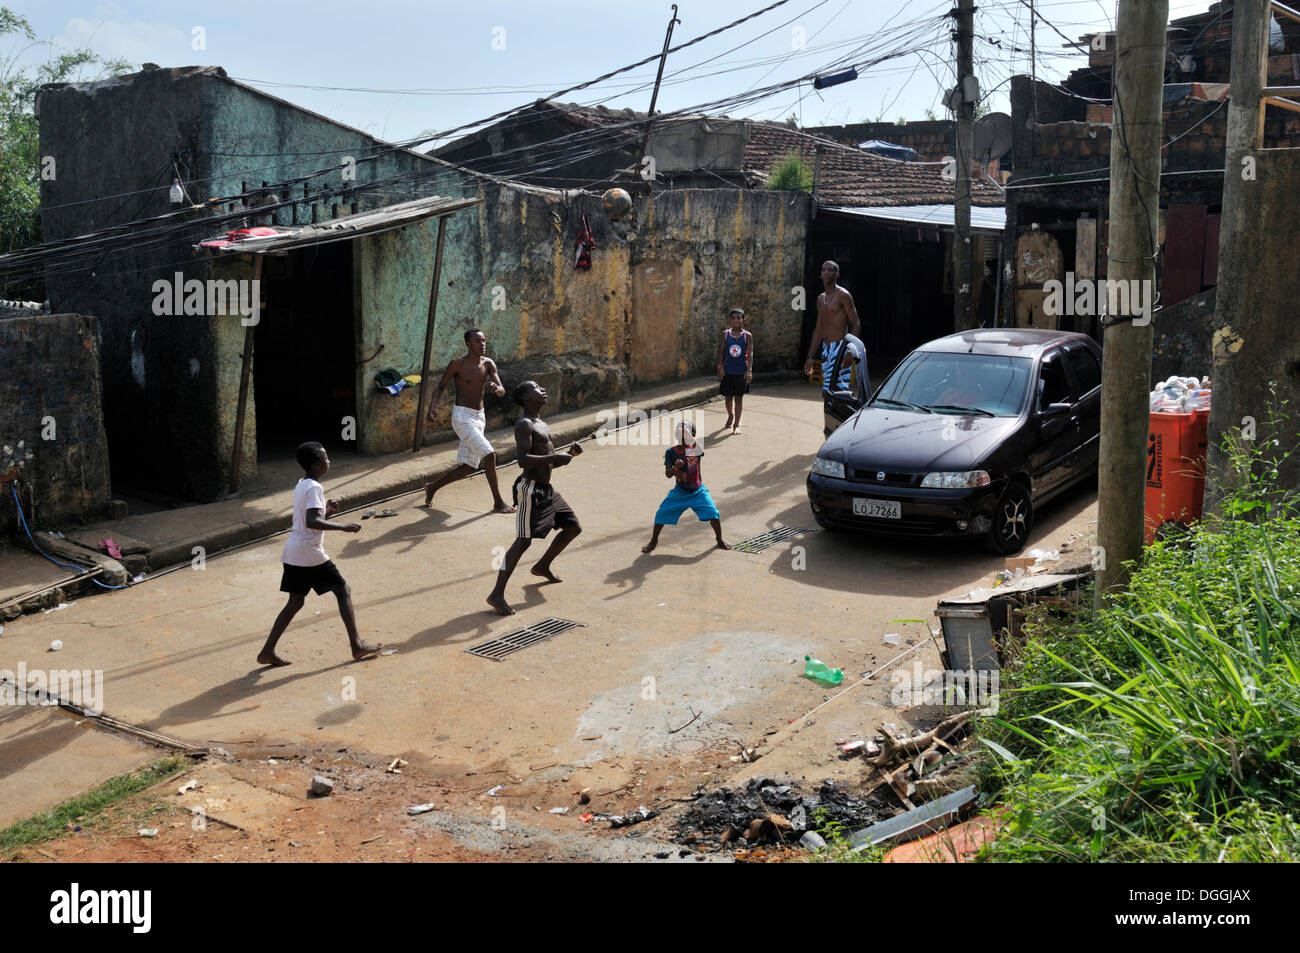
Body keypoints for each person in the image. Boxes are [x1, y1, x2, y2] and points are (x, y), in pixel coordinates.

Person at [258, 442, 379, 666]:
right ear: (315, 464)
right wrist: (343, 526)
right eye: (325, 458)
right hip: (308, 553)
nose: (329, 461)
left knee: (295, 602)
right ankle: (357, 646)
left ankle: (267, 652)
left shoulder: (302, 484)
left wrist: (327, 511)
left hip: (294, 551)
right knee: (343, 590)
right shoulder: (314, 487)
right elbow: (312, 521)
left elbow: (310, 520)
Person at [486, 380, 584, 616]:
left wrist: (564, 456)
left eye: (542, 386)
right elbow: (523, 460)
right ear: (526, 398)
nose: (543, 389)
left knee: (572, 527)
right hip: (529, 490)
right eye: (536, 388)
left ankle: (542, 566)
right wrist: (554, 458)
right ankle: (496, 594)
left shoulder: (541, 422)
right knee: (522, 541)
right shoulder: (524, 424)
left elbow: (546, 460)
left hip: (546, 489)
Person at [421, 328, 515, 513]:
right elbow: (440, 387)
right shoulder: (457, 365)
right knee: (489, 454)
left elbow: (501, 388)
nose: (482, 344)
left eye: (484, 341)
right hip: (462, 417)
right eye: (478, 341)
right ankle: (498, 502)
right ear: (468, 344)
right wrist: (432, 407)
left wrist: (498, 389)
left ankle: (432, 487)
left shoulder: (488, 364)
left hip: (479, 417)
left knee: (470, 467)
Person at [642, 421, 730, 554]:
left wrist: (691, 439)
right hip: (680, 491)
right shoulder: (671, 452)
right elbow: (668, 474)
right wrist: (675, 468)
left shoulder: (694, 449)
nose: (681, 434)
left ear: (693, 435)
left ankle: (719, 539)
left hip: (698, 491)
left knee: (713, 514)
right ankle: (653, 541)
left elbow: (700, 450)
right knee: (661, 514)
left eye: (685, 432)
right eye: (679, 431)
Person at [803, 261, 862, 393]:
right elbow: (819, 329)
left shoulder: (843, 295)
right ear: (821, 274)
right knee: (828, 391)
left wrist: (850, 352)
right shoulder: (820, 299)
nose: (826, 273)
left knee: (837, 391)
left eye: (831, 270)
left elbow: (856, 323)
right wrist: (810, 356)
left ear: (837, 274)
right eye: (824, 270)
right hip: (826, 348)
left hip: (840, 348)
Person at [716, 307, 753, 434]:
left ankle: (736, 425)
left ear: (743, 319)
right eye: (733, 318)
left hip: (741, 372)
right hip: (728, 372)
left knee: (738, 398)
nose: (736, 320)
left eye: (739, 318)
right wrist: (720, 367)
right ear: (730, 320)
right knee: (728, 398)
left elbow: (751, 353)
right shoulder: (725, 334)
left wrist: (749, 370)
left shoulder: (747, 335)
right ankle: (730, 415)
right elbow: (721, 351)